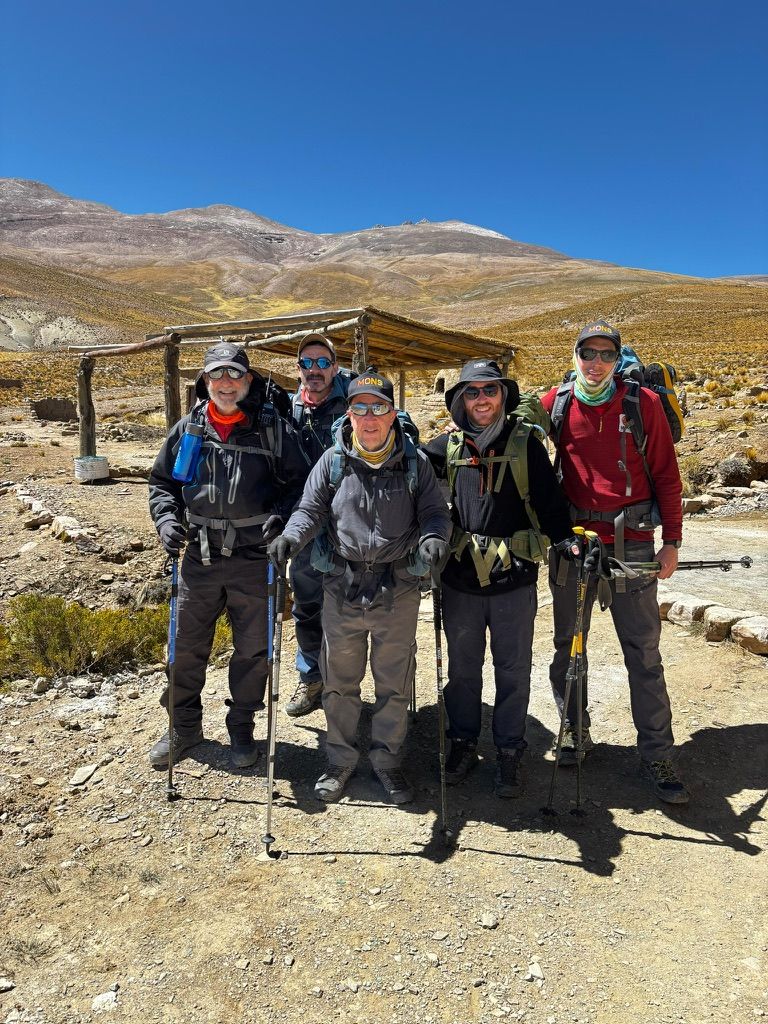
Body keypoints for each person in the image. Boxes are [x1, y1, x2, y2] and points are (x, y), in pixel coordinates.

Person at [269, 369, 451, 805]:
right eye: (360, 408)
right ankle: (340, 759)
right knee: (339, 681)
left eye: (379, 408)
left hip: (399, 587)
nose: (369, 418)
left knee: (394, 682)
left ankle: (388, 761)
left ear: (392, 414)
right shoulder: (332, 462)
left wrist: (433, 539)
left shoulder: (415, 463)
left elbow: (435, 512)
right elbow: (309, 508)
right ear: (349, 413)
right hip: (342, 586)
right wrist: (291, 537)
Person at [541, 319, 689, 804]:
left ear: (617, 359)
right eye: (589, 353)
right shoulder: (556, 403)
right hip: (575, 542)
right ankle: (572, 730)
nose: (597, 362)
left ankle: (657, 752)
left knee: (643, 653)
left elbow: (667, 476)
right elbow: (509, 437)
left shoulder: (642, 405)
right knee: (568, 645)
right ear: (576, 356)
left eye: (607, 354)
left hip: (634, 544)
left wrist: (672, 541)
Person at [148, 342, 307, 769]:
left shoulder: (272, 430)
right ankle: (183, 726)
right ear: (204, 381)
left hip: (255, 557)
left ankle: (241, 728)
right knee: (184, 648)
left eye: (234, 374)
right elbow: (162, 483)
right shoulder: (188, 430)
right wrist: (166, 521)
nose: (225, 383)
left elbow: (302, 487)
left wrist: (283, 520)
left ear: (248, 380)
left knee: (253, 650)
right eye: (216, 375)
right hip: (198, 557)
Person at [425, 359, 577, 797]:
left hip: (515, 579)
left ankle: (510, 751)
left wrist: (565, 539)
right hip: (460, 579)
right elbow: (410, 472)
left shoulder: (527, 445)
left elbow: (549, 503)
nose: (481, 400)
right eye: (471, 393)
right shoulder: (446, 448)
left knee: (513, 670)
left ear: (503, 396)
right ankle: (463, 742)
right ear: (460, 402)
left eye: (489, 390)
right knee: (463, 670)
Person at [285, 333, 353, 718]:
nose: (315, 370)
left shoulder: (354, 403)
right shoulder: (285, 409)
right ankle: (311, 679)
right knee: (308, 607)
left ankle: (347, 687)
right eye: (307, 363)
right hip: (305, 526)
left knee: (350, 608)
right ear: (298, 370)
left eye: (322, 363)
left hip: (349, 526)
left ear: (335, 367)